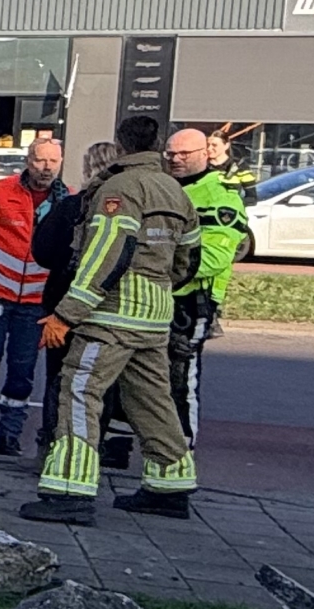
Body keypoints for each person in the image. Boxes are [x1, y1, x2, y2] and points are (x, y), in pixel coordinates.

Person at [22, 115, 199, 525]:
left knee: (80, 390)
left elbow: (106, 255)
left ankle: (71, 489)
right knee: (152, 397)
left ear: (120, 146)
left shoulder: (118, 189)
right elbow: (189, 257)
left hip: (111, 314)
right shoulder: (176, 191)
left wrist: (66, 315)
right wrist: (160, 287)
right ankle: (170, 484)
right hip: (156, 315)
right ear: (156, 145)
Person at [0, 137, 66, 454]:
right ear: (28, 160)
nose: (46, 169)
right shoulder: (0, 193)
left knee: (23, 369)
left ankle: (10, 436)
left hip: (36, 302)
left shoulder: (67, 202)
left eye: (53, 162)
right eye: (40, 161)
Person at [162, 128, 249, 441]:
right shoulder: (162, 186)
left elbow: (214, 257)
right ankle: (120, 447)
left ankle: (181, 449)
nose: (176, 160)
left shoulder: (220, 195)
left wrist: (160, 267)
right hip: (155, 294)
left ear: (204, 154)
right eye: (171, 154)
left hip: (191, 300)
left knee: (179, 376)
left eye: (184, 154)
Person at [31, 141, 119, 450]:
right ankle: (91, 447)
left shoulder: (71, 206)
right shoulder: (128, 207)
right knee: (100, 383)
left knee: (59, 376)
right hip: (109, 307)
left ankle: (54, 445)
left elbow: (41, 251)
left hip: (63, 304)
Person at [206, 131, 259, 196]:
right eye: (207, 145)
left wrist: (233, 204)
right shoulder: (201, 166)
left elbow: (252, 198)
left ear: (226, 145)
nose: (209, 148)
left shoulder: (240, 166)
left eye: (214, 145)